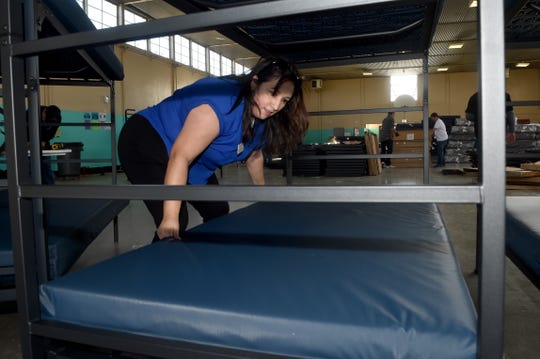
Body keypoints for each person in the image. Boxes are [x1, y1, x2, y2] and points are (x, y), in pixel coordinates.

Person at [118, 57, 309, 241]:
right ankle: (156, 269)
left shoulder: (261, 117)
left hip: (193, 158)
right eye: (272, 92)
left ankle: (207, 265)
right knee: (174, 222)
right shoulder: (219, 106)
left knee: (217, 211)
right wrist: (169, 218)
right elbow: (180, 157)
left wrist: (262, 196)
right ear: (254, 83)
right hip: (148, 141)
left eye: (284, 100)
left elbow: (254, 155)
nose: (276, 106)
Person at [0, 105, 62, 184]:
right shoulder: (30, 113)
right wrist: (29, 142)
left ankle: (49, 187)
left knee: (46, 165)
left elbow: (52, 133)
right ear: (44, 112)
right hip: (26, 141)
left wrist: (44, 141)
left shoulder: (56, 119)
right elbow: (20, 130)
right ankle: (29, 188)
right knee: (28, 166)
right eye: (45, 119)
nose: (46, 122)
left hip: (42, 142)